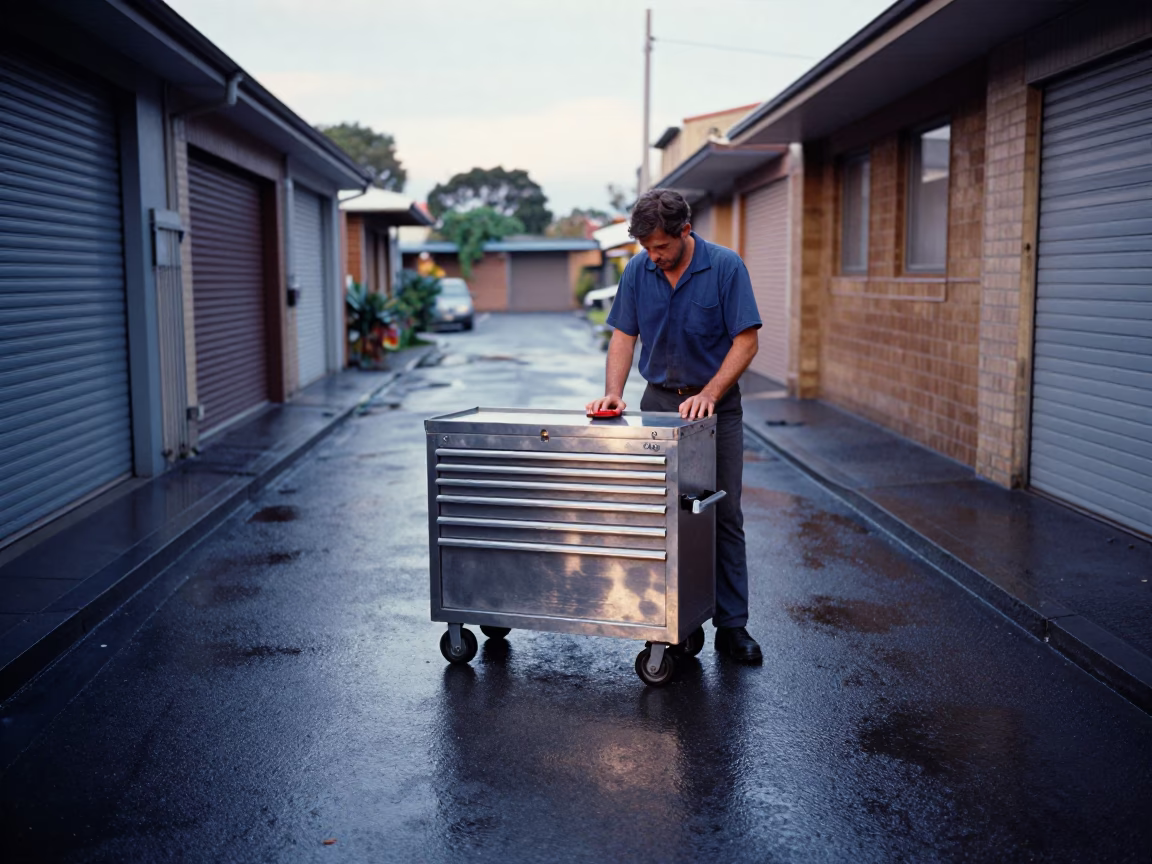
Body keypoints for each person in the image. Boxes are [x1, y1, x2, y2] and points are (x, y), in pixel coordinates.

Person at [586, 189, 763, 663]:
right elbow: (624, 335)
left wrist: (710, 393)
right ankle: (669, 622)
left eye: (661, 247)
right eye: (646, 248)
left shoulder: (725, 267)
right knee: (660, 517)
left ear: (686, 231)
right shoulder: (638, 270)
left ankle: (732, 626)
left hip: (715, 409)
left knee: (722, 515)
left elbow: (746, 342)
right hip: (659, 405)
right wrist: (614, 393)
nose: (654, 256)